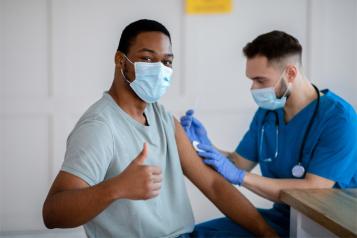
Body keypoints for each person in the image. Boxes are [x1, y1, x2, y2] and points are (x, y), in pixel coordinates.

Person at [42, 19, 278, 238]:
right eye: (146, 59)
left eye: (166, 62)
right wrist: (115, 188)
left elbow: (214, 186)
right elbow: (52, 213)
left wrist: (267, 234)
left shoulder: (163, 118)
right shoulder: (100, 127)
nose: (159, 69)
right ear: (120, 60)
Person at [181, 30, 357, 237]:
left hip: (325, 225)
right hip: (283, 218)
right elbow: (237, 162)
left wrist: (240, 177)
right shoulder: (268, 113)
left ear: (290, 73)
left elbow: (315, 188)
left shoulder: (338, 118)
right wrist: (204, 146)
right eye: (251, 80)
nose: (253, 88)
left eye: (260, 80)